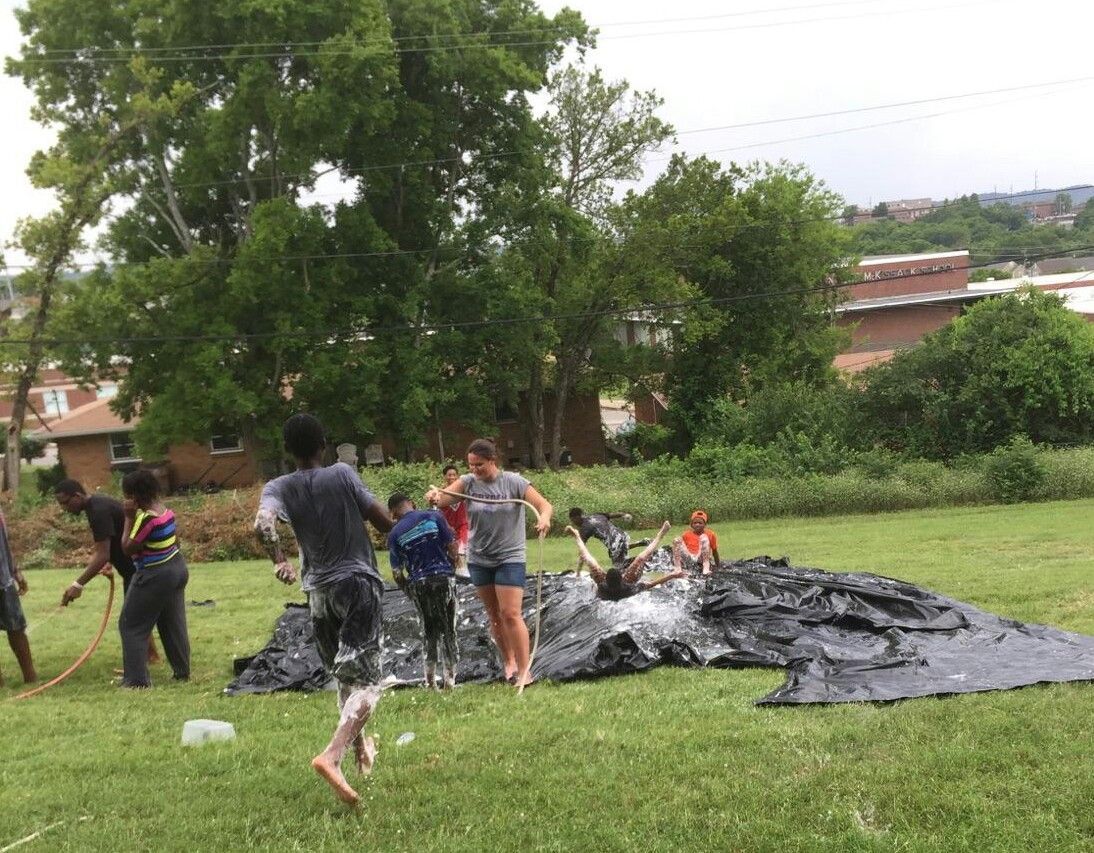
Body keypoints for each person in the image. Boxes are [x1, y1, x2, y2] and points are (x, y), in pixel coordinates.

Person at [254, 413, 394, 806]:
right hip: (357, 584)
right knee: (368, 682)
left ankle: (359, 747)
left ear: (288, 450)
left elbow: (262, 525)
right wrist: (406, 520)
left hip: (318, 594)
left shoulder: (278, 485)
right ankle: (332, 756)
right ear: (323, 445)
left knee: (344, 674)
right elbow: (382, 522)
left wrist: (279, 559)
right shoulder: (342, 474)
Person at [425, 438, 552, 689]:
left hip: (509, 556)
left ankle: (525, 671)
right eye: (470, 465)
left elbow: (543, 505)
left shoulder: (514, 482)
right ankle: (509, 663)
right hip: (479, 558)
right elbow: (443, 500)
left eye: (479, 465)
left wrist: (544, 518)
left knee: (510, 613)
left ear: (493, 460)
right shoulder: (468, 483)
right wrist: (434, 496)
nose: (474, 470)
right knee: (494, 615)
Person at [55, 479, 160, 665]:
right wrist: (111, 561)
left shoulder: (98, 511)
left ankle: (141, 665)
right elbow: (113, 539)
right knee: (135, 616)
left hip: (138, 569)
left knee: (131, 621)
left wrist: (77, 584)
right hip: (133, 569)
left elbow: (101, 554)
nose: (63, 508)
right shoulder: (98, 504)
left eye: (65, 502)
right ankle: (150, 656)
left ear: (77, 496)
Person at [116, 469, 191, 688]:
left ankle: (136, 681)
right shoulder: (166, 511)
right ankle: (182, 671)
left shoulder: (146, 518)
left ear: (134, 495)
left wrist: (128, 519)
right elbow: (176, 542)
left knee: (131, 625)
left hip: (154, 574)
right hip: (177, 568)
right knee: (173, 623)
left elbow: (127, 548)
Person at [387, 493, 460, 690]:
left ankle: (429, 681)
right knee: (448, 629)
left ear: (393, 513)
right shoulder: (433, 517)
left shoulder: (394, 534)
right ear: (411, 504)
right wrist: (452, 567)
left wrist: (408, 590)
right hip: (444, 578)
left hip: (419, 584)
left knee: (429, 631)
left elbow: (397, 573)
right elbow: (452, 546)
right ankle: (450, 681)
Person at [565, 521, 684, 601]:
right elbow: (651, 584)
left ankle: (576, 536)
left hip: (613, 589)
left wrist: (672, 575)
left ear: (606, 578)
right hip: (623, 586)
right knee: (641, 558)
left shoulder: (603, 584)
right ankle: (661, 534)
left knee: (590, 560)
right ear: (621, 577)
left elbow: (652, 584)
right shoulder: (629, 587)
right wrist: (671, 575)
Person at [0, 506, 36, 685]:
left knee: (16, 627)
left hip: (4, 579)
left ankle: (31, 678)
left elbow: (4, 543)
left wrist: (15, 571)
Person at [566, 507, 647, 573]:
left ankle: (644, 561)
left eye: (573, 520)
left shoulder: (585, 528)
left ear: (577, 517)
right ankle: (640, 543)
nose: (574, 523)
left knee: (619, 571)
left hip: (615, 545)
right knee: (617, 550)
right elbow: (612, 515)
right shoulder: (596, 515)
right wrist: (624, 514)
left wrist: (578, 572)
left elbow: (582, 551)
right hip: (622, 535)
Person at [438, 464, 470, 577]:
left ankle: (463, 573)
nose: (452, 477)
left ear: (458, 476)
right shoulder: (440, 493)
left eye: (454, 475)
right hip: (448, 527)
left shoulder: (463, 491)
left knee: (461, 551)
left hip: (462, 525)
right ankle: (452, 574)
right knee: (451, 554)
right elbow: (437, 512)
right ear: (444, 476)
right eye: (449, 475)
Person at [673, 510, 721, 576]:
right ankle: (678, 569)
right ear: (691, 525)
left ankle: (705, 569)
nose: (697, 524)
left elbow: (715, 551)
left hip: (702, 558)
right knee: (677, 540)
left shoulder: (710, 534)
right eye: (695, 523)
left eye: (700, 523)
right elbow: (681, 550)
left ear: (705, 524)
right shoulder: (686, 535)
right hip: (689, 557)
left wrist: (718, 565)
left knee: (704, 537)